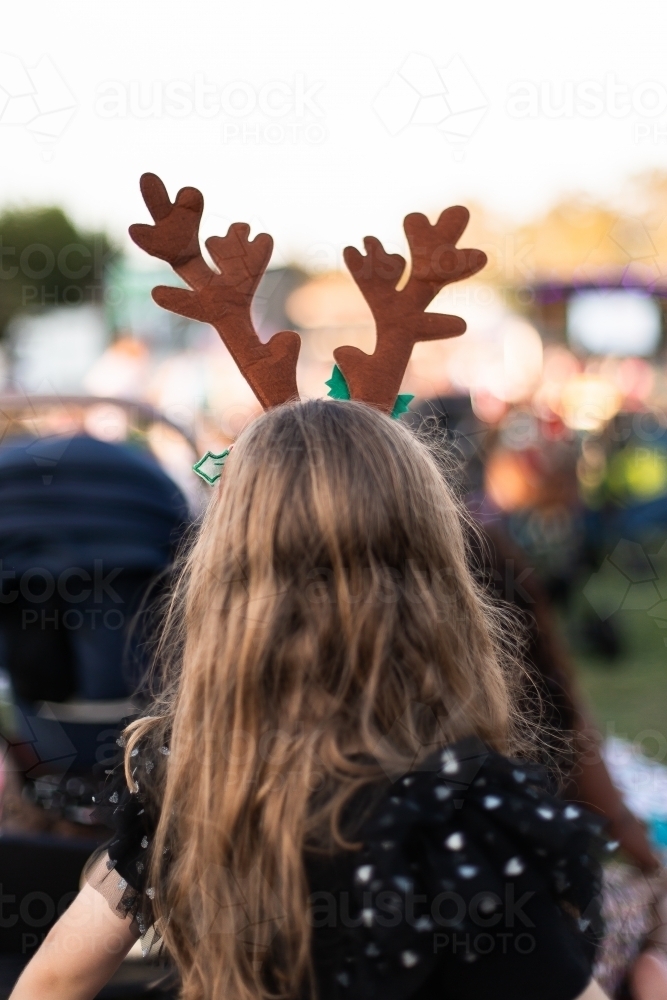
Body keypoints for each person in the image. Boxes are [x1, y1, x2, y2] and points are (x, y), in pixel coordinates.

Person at [10, 399, 611, 1000]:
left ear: (223, 580)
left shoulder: (189, 774)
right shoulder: (462, 813)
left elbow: (53, 980)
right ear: (436, 582)